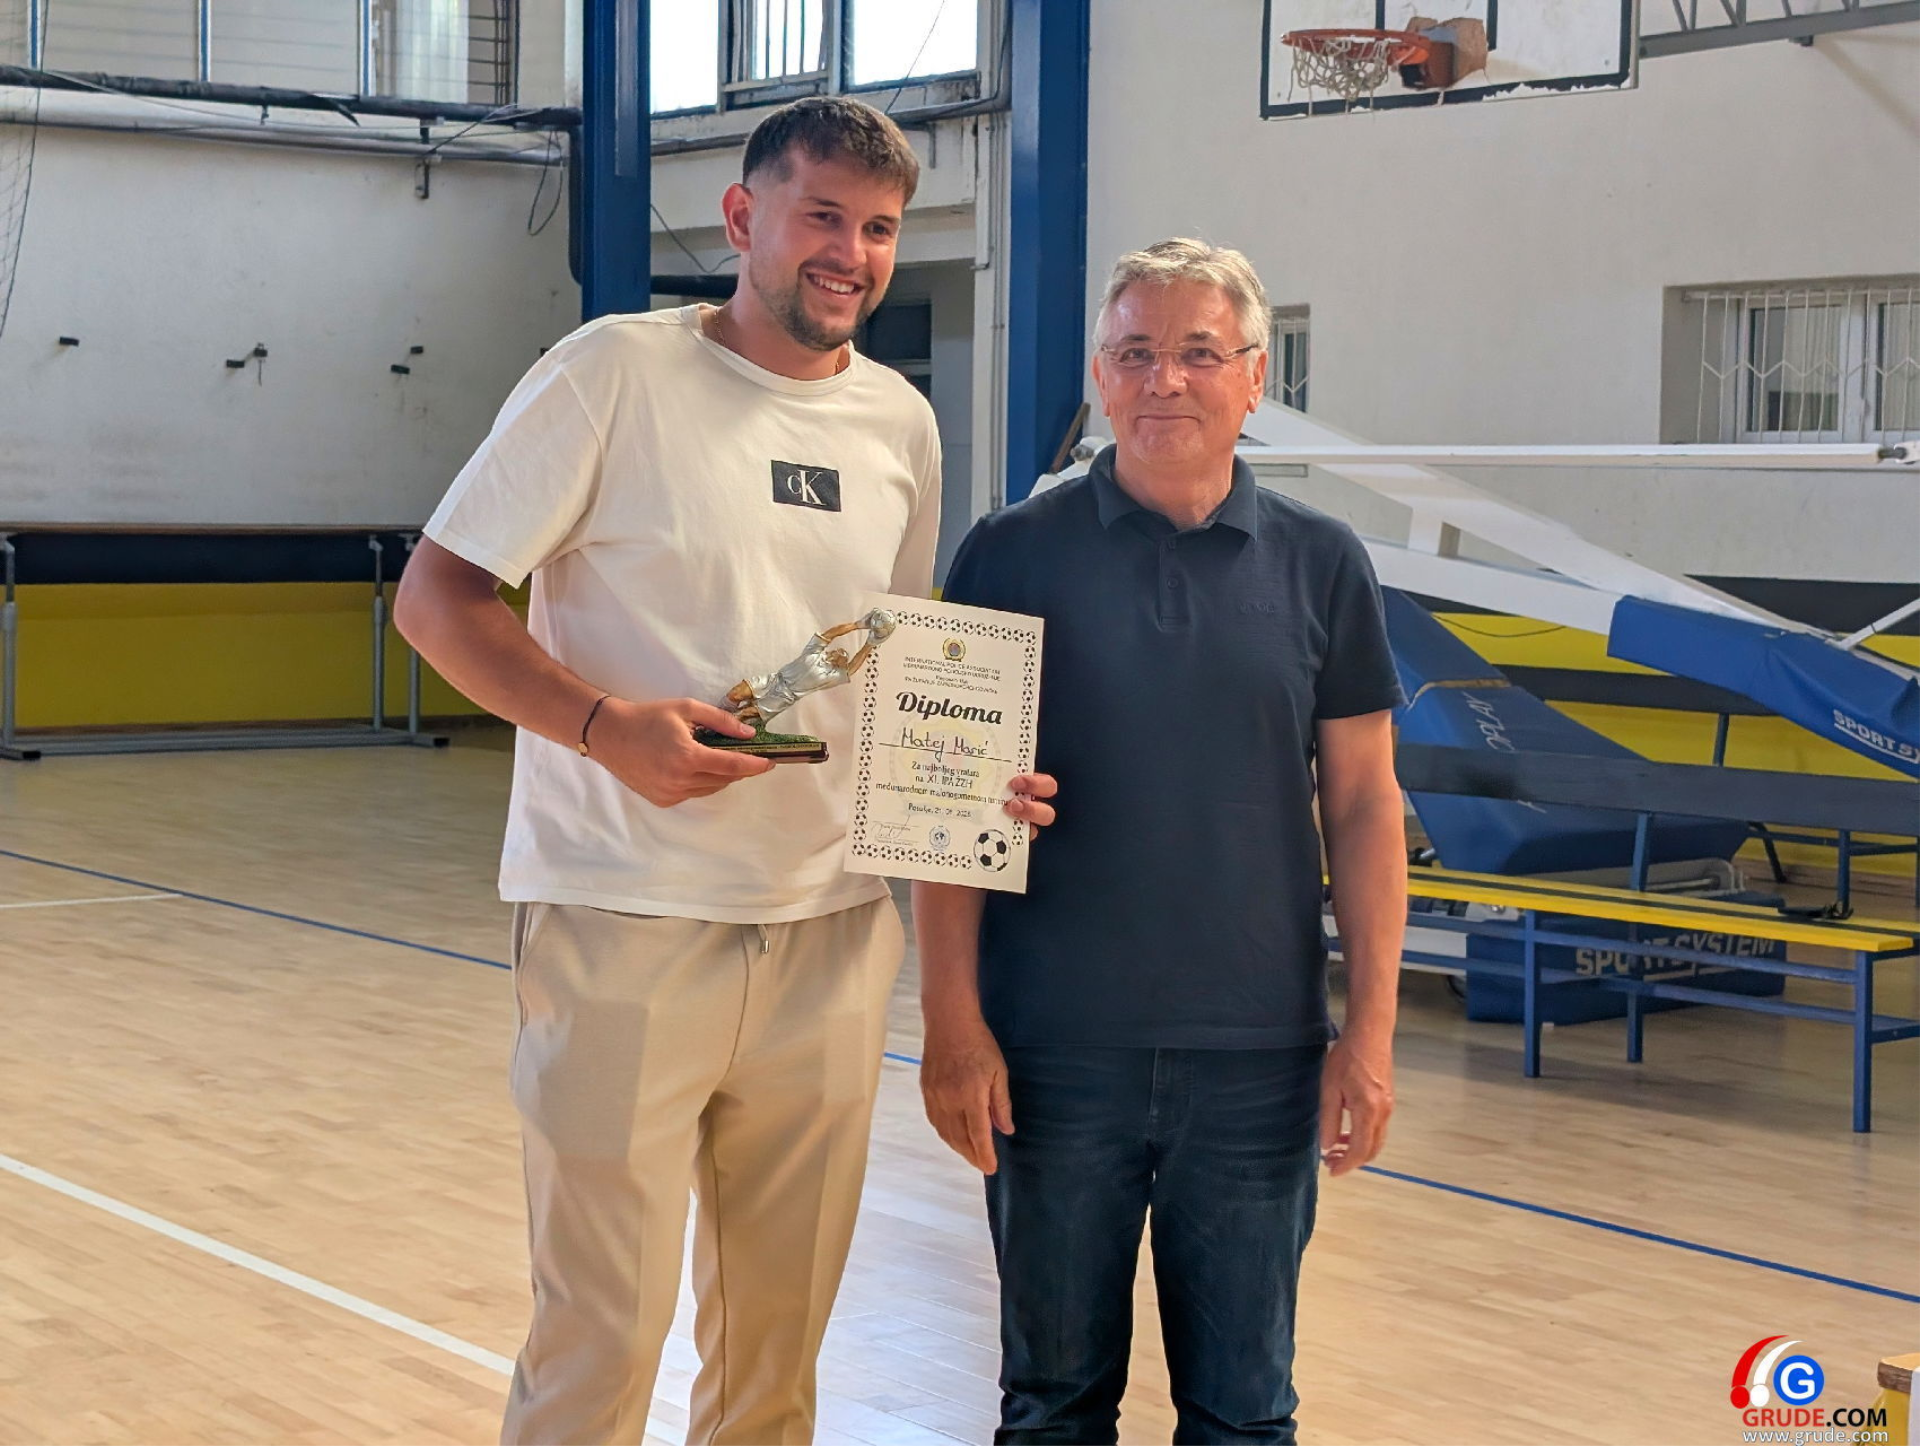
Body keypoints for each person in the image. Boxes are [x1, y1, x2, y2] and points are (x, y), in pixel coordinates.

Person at [395, 96, 1055, 1446]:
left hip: (830, 934)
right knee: (600, 1340)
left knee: (776, 1357)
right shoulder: (610, 373)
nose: (853, 254)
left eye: (881, 229)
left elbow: (892, 653)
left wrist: (963, 779)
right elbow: (437, 598)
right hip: (622, 917)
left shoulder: (900, 423)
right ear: (744, 217)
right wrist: (600, 726)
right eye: (824, 217)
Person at [914, 238, 1408, 1445]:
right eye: (1134, 354)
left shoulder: (1324, 563)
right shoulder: (1006, 553)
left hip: (1258, 1059)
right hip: (1050, 1054)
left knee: (1244, 1415)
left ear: (1255, 379)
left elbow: (1363, 805)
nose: (1164, 381)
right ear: (1099, 377)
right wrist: (950, 1024)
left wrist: (1370, 1034)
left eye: (1199, 354)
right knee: (1052, 1408)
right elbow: (942, 806)